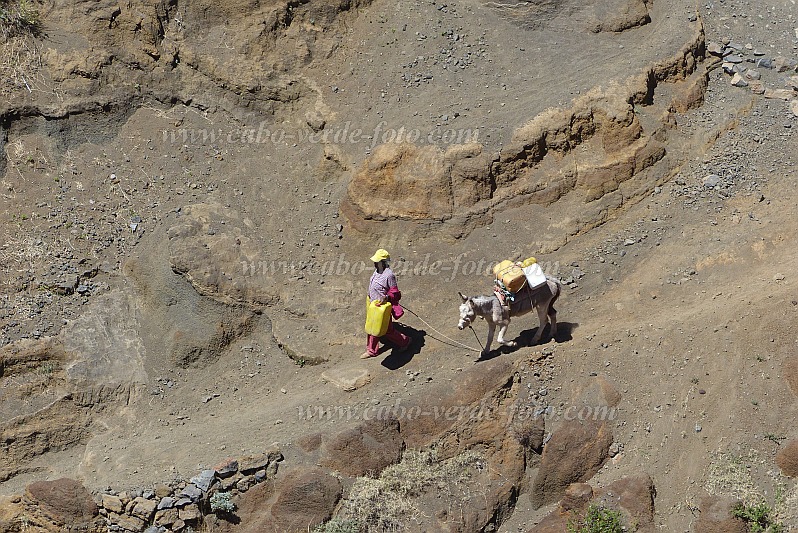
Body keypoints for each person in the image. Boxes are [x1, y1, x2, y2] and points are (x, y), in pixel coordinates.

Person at [362, 249, 411, 359]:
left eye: (377, 261)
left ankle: (404, 341)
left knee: (382, 328)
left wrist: (387, 298)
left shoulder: (389, 275)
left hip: (381, 307)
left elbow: (395, 293)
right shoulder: (377, 271)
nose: (375, 263)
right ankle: (372, 349)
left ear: (383, 262)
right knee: (372, 325)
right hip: (372, 303)